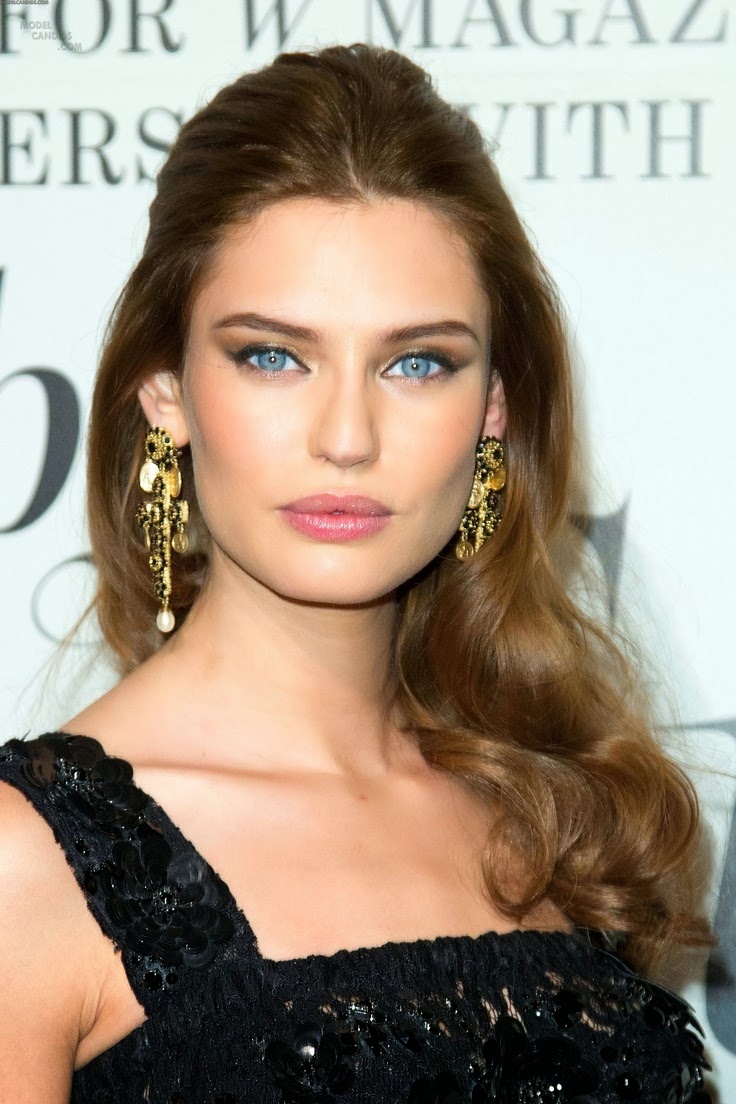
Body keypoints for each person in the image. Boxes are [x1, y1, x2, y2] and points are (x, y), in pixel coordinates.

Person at [0, 41, 715, 1103]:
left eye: (417, 362)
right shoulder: (25, 868)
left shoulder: (557, 818)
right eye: (272, 355)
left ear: (493, 409)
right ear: (165, 393)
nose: (347, 436)